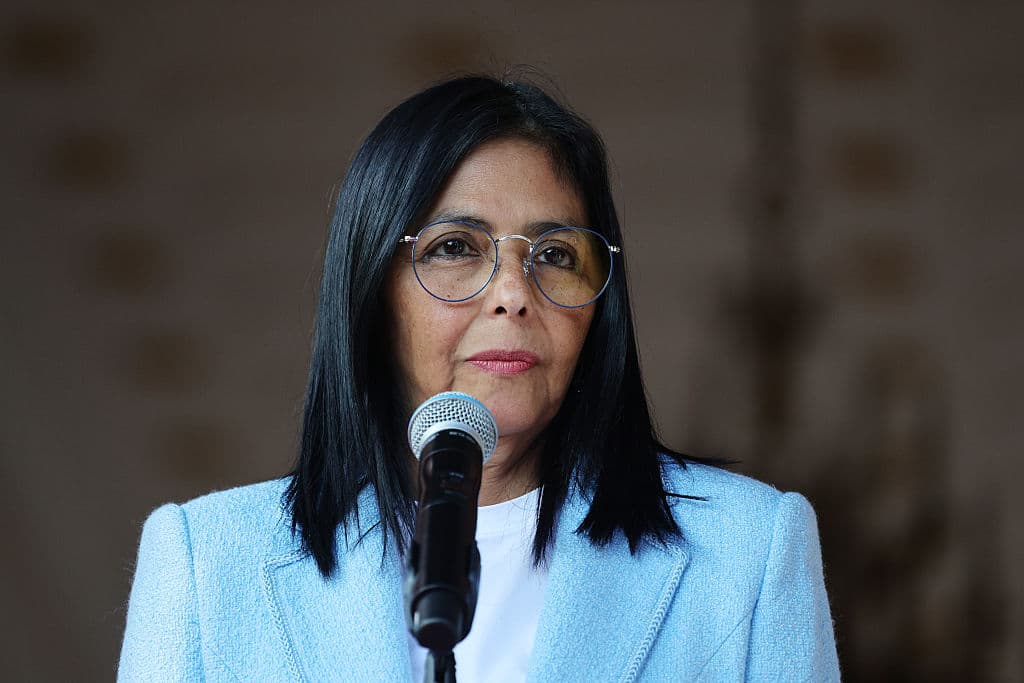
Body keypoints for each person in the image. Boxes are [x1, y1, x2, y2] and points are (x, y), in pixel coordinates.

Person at [119, 75, 840, 681]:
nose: (513, 292)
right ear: (374, 288)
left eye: (556, 253)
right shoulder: (207, 565)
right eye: (456, 247)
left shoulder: (750, 551)